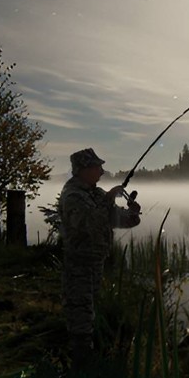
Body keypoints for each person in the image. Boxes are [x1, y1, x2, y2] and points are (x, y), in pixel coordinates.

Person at [58, 147, 141, 365]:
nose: (102, 171)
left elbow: (114, 219)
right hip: (79, 262)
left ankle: (86, 356)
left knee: (90, 306)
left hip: (96, 262)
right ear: (83, 169)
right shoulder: (73, 195)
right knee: (80, 308)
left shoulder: (94, 193)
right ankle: (81, 362)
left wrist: (132, 215)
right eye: (98, 167)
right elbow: (88, 223)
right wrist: (109, 198)